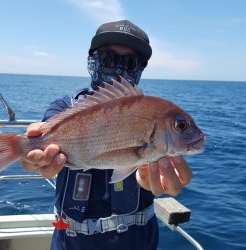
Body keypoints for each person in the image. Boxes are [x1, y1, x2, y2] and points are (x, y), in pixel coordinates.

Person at [21, 20, 192, 250]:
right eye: (109, 59)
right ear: (93, 61)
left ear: (140, 69)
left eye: (130, 62)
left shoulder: (154, 118)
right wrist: (32, 156)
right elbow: (42, 137)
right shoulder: (64, 109)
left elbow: (144, 168)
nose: (118, 69)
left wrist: (152, 178)